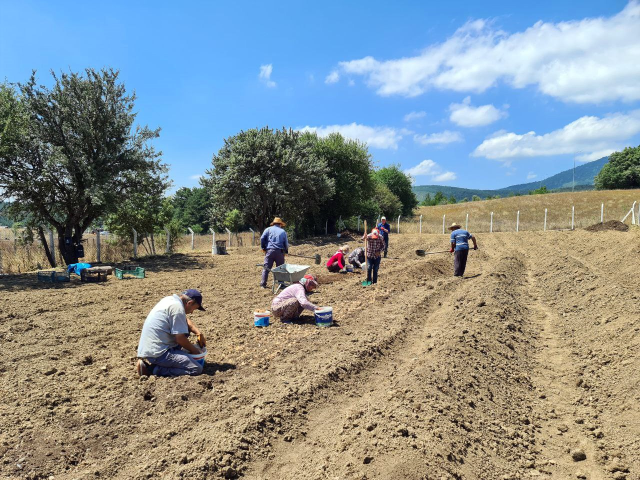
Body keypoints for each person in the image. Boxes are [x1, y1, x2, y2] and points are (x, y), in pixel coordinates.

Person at [136, 289, 207, 377]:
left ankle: (168, 362)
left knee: (185, 328)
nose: (192, 312)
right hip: (159, 353)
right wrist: (195, 351)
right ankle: (152, 370)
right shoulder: (178, 308)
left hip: (150, 349)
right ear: (189, 303)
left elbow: (185, 320)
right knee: (196, 368)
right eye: (194, 308)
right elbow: (180, 339)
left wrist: (198, 333)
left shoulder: (170, 300)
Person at [260, 217, 289, 289]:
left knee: (266, 268)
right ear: (280, 224)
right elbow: (286, 243)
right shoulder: (283, 231)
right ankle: (281, 284)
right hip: (280, 252)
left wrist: (263, 248)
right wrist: (286, 251)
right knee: (280, 268)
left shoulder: (268, 229)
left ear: (273, 224)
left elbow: (262, 238)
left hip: (269, 251)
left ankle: (263, 284)